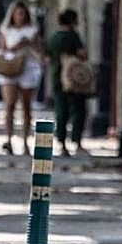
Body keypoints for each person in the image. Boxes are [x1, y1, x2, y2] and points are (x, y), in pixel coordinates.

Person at [0, 0, 43, 155]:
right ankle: (8, 139)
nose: (19, 16)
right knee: (9, 105)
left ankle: (25, 141)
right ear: (12, 14)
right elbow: (2, 49)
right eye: (17, 13)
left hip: (28, 67)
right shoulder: (5, 29)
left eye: (22, 13)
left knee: (26, 107)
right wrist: (14, 47)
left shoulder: (32, 30)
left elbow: (39, 50)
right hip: (10, 67)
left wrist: (28, 43)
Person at [45, 9, 88, 156]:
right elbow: (83, 54)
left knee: (61, 110)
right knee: (78, 110)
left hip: (57, 77)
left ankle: (61, 142)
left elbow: (47, 58)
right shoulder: (73, 36)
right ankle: (77, 141)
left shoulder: (54, 37)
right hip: (74, 79)